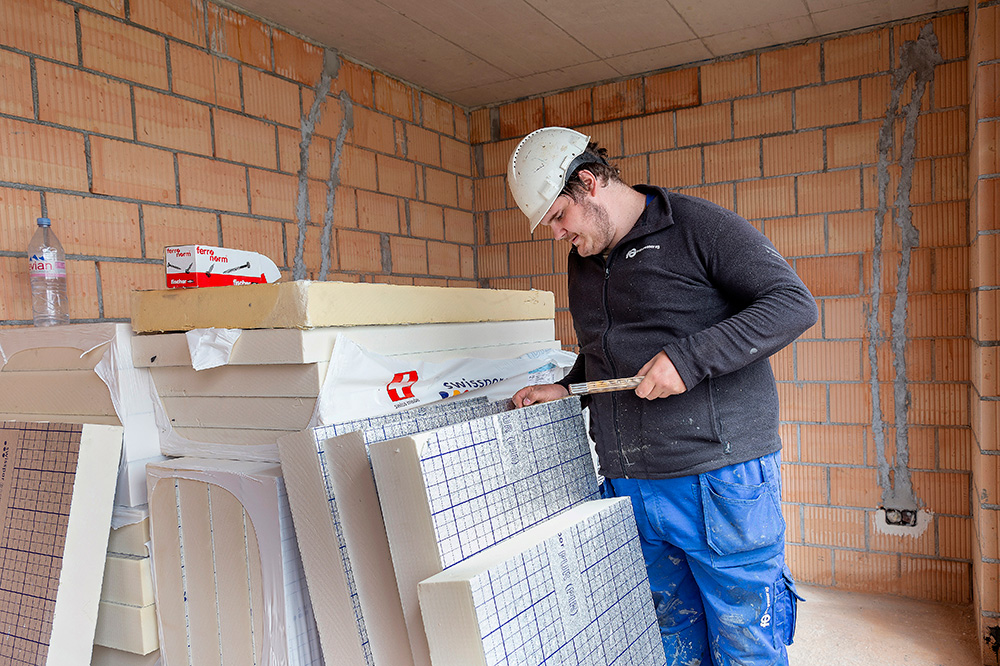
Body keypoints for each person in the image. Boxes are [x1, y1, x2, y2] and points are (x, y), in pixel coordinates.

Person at [507, 127, 818, 666]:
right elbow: (607, 352)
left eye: (560, 217)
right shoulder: (584, 262)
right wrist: (567, 386)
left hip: (717, 479)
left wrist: (689, 359)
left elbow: (792, 304)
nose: (557, 234)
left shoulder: (697, 226)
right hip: (631, 484)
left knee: (745, 643)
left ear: (589, 182)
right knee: (668, 642)